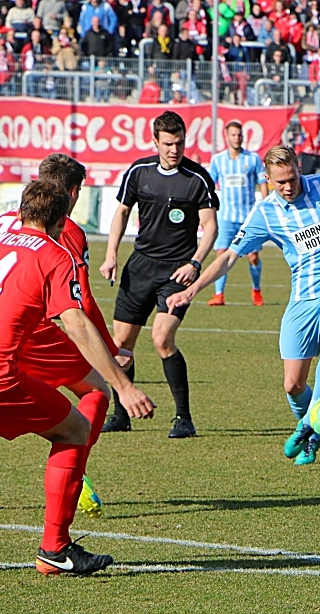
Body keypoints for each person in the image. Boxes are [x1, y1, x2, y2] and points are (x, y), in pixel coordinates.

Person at [165, 146, 320, 466]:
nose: (288, 187)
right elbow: (230, 257)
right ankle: (309, 428)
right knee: (293, 385)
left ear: (298, 168)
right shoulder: (265, 212)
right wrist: (193, 289)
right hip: (302, 297)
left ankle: (310, 429)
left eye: (292, 178)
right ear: (268, 179)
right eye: (280, 182)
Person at [0, 180, 154, 575]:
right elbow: (77, 322)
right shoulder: (54, 253)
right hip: (2, 374)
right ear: (59, 220)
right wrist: (124, 385)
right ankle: (55, 548)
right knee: (74, 430)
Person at [0, 153, 130, 519]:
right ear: (72, 194)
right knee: (94, 391)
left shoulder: (5, 220)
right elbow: (81, 306)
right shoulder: (65, 233)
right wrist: (110, 349)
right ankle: (74, 470)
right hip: (32, 332)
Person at [99, 111, 219, 438]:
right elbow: (121, 212)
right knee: (121, 344)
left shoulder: (198, 179)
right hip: (139, 267)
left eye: (179, 142)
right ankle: (121, 413)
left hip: (177, 272)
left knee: (162, 338)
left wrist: (194, 263)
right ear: (155, 141)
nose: (174, 149)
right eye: (167, 143)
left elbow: (210, 228)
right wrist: (111, 254)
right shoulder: (139, 172)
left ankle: (184, 418)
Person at [207, 121, 269, 307]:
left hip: (248, 218)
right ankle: (219, 295)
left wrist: (266, 206)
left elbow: (262, 183)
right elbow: (210, 185)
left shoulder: (252, 159)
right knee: (221, 255)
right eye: (233, 134)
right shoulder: (218, 160)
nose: (237, 137)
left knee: (253, 257)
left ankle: (256, 291)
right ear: (227, 137)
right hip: (226, 217)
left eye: (239, 134)